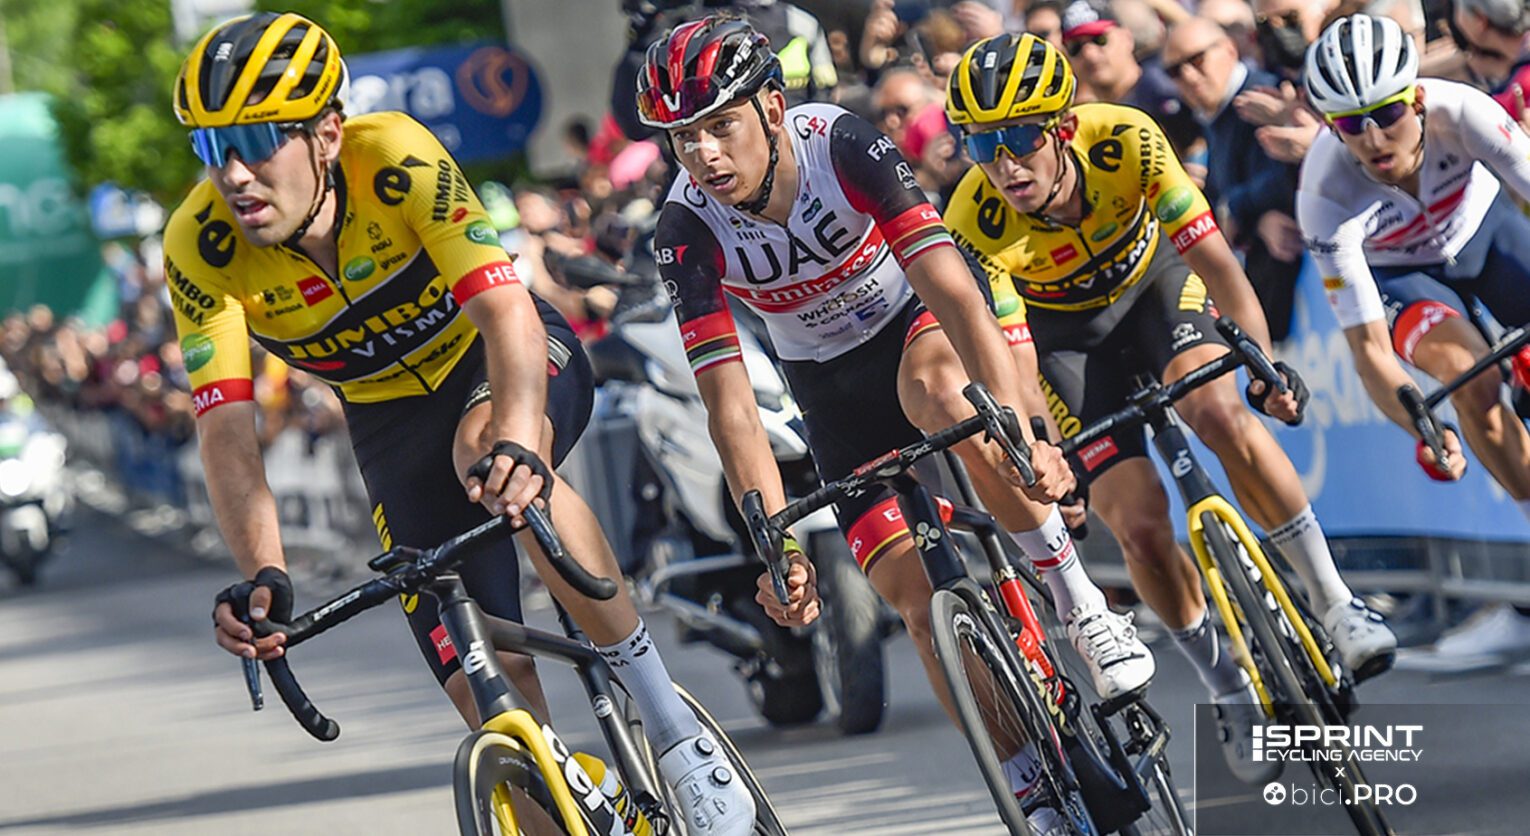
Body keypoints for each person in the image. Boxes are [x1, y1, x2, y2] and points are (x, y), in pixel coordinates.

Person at [169, 13, 754, 833]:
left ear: (327, 134)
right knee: (499, 717)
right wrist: (264, 571)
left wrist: (518, 437)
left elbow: (506, 314)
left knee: (488, 455)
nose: (233, 173)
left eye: (257, 140)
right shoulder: (200, 247)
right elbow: (226, 430)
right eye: (211, 147)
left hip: (501, 359)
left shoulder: (395, 158)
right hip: (388, 426)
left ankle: (673, 729)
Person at [637, 15, 1154, 831]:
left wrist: (1025, 434)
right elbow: (729, 404)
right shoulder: (685, 228)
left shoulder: (839, 144)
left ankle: (1078, 601)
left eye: (719, 126)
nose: (702, 154)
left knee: (942, 396)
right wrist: (776, 546)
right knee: (915, 603)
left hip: (912, 325)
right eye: (681, 139)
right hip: (827, 387)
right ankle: (1029, 788)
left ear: (771, 108)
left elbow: (955, 295)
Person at [942, 32, 1399, 785]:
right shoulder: (974, 218)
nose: (1004, 164)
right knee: (1140, 526)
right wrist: (1042, 449)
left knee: (1219, 413)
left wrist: (1262, 366)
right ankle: (1229, 692)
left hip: (1154, 289)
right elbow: (1015, 359)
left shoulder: (1126, 138)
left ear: (1063, 127)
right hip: (1065, 340)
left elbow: (1217, 260)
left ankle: (1336, 602)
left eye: (1019, 138)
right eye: (981, 145)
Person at [1298, 14, 1530, 654]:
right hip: (1403, 275)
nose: (1374, 138)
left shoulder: (1466, 112)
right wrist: (1422, 428)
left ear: (1418, 99)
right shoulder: (1324, 193)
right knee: (1471, 380)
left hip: (1484, 230)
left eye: (1388, 113)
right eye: (1351, 124)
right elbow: (1370, 352)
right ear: (1330, 127)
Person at [1164, 17, 1304, 341]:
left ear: (1229, 49)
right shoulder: (1213, 117)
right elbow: (1221, 204)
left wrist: (1238, 208)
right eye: (1175, 71)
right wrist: (1253, 219)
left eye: (1197, 60)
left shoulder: (1261, 96)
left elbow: (1286, 180)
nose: (1188, 76)